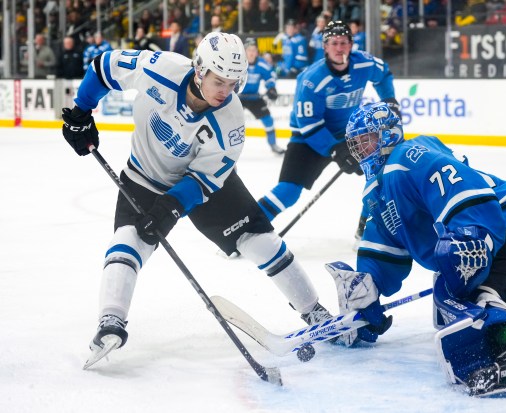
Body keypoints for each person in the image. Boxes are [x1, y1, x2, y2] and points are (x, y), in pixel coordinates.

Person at [61, 32, 333, 364]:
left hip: (201, 184)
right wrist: (80, 112)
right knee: (129, 240)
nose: (225, 91)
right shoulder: (158, 67)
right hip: (144, 176)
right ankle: (110, 323)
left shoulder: (231, 120)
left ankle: (313, 311)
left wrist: (172, 207)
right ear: (200, 69)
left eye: (233, 83)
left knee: (258, 239)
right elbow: (105, 67)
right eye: (219, 80)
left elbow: (205, 179)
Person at [327, 101, 506, 396]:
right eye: (357, 144)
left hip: (503, 222)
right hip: (479, 233)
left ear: (387, 135)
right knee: (449, 302)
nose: (362, 150)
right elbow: (384, 246)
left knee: (476, 298)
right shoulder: (376, 191)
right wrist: (367, 293)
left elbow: (462, 188)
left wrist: (471, 237)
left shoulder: (410, 155)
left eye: (367, 139)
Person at [257, 21, 400, 237]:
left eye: (344, 43)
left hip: (349, 133)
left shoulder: (364, 63)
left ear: (351, 45)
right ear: (325, 46)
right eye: (334, 43)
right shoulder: (311, 79)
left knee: (379, 175)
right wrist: (335, 150)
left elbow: (383, 74)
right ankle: (247, 229)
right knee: (288, 191)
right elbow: (308, 124)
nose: (339, 48)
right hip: (308, 139)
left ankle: (367, 230)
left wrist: (389, 100)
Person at [239, 38, 285, 155]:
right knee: (228, 122)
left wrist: (271, 88)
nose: (252, 53)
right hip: (237, 98)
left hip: (254, 98)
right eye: (249, 50)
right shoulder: (238, 62)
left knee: (268, 119)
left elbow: (270, 77)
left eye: (254, 50)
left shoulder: (262, 64)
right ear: (244, 51)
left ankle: (273, 145)